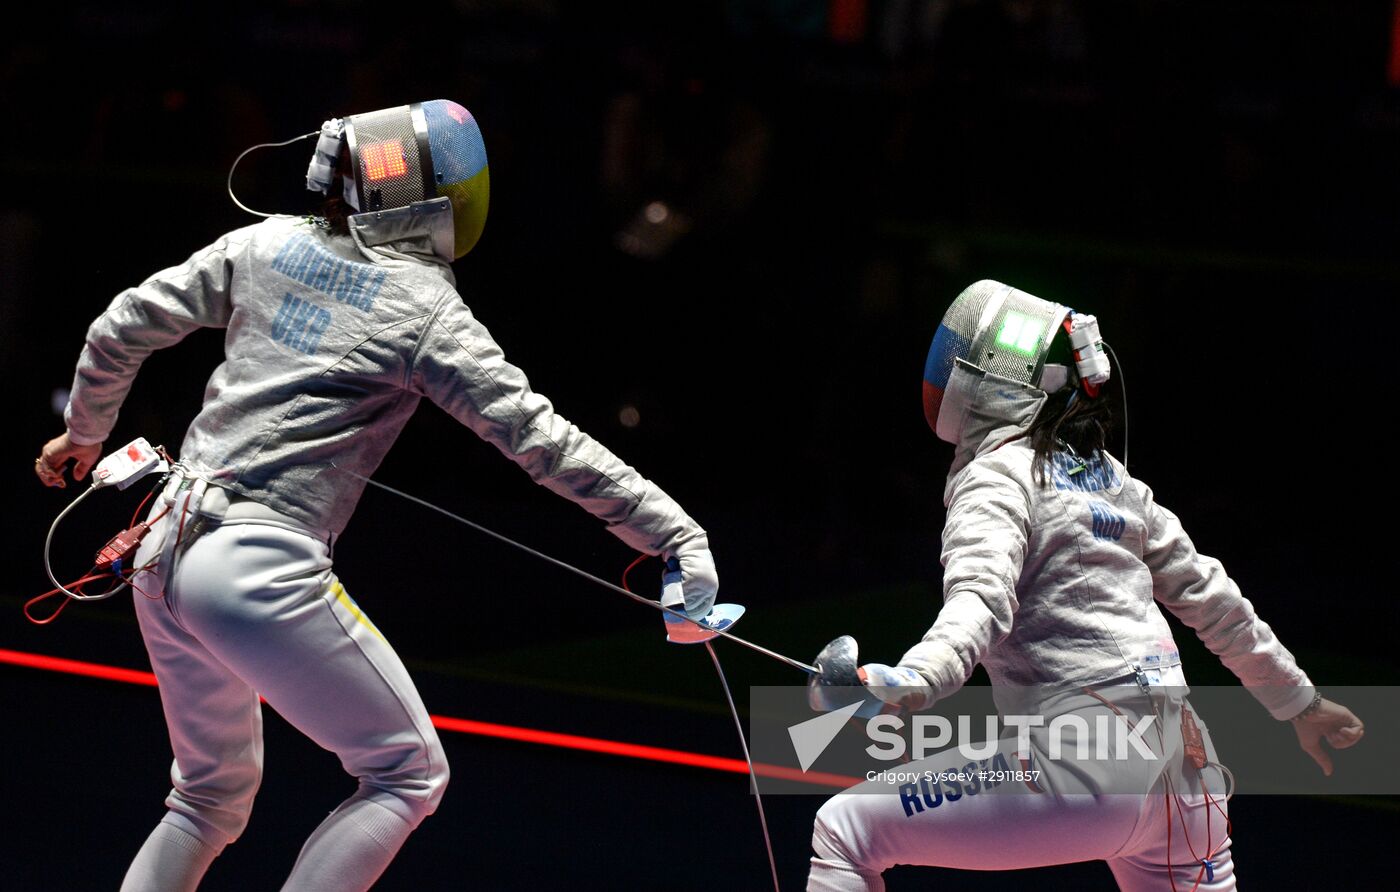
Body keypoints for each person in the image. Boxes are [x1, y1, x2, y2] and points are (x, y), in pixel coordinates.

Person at [34, 99, 725, 891]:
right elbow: (542, 441)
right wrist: (673, 534)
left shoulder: (263, 243)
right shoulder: (422, 306)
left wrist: (84, 433)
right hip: (255, 567)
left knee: (206, 796)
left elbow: (124, 323)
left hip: (160, 548)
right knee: (407, 772)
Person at [805, 280, 1364, 891]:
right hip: (1190, 782)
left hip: (1087, 770)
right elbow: (1215, 599)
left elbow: (981, 600)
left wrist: (911, 681)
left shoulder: (998, 475)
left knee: (846, 829)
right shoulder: (1114, 482)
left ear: (985, 379)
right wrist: (1298, 703)